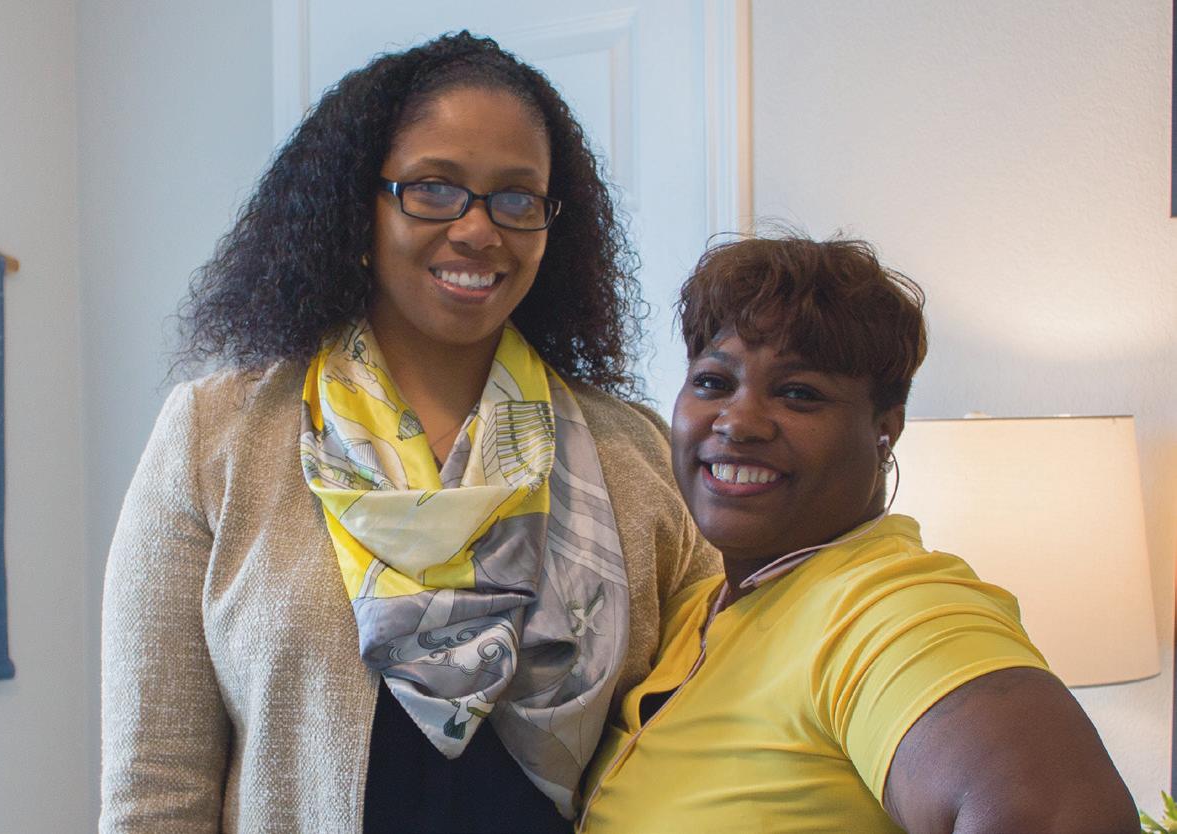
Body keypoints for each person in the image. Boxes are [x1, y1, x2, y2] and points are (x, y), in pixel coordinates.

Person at [99, 32, 717, 833]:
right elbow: (155, 790)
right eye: (433, 188)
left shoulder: (637, 457)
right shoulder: (215, 440)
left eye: (516, 198)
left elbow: (707, 743)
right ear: (357, 207)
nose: (478, 229)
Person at [578, 235, 1138, 833]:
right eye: (714, 382)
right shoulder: (694, 609)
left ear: (884, 429)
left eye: (799, 393)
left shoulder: (892, 607)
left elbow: (1056, 816)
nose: (738, 422)